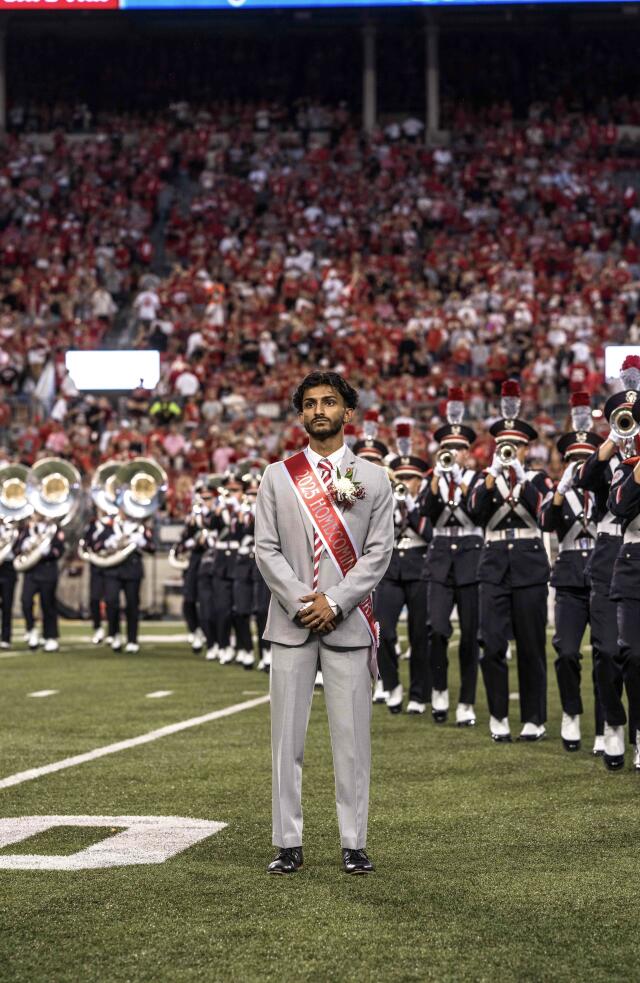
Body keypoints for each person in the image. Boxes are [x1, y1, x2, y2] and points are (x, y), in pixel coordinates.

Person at [255, 370, 394, 876]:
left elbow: (378, 554)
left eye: (329, 402)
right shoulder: (277, 475)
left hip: (347, 624)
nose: (319, 410)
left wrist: (333, 602)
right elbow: (265, 549)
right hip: (291, 624)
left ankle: (354, 843)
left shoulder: (373, 478)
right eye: (310, 403)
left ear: (347, 412)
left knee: (352, 743)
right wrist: (303, 603)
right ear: (301, 415)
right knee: (285, 742)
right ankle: (287, 842)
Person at [468, 380, 551, 744]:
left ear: (526, 448)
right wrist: (492, 477)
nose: (510, 450)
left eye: (516, 445)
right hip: (494, 565)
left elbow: (546, 515)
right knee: (491, 643)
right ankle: (498, 715)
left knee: (531, 645)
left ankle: (534, 718)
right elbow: (474, 511)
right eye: (505, 445)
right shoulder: (483, 479)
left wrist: (520, 476)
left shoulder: (538, 479)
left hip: (529, 565)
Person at [574, 356, 640, 768]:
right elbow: (583, 480)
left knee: (634, 653)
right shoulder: (608, 456)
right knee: (606, 649)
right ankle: (612, 724)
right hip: (608, 554)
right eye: (622, 418)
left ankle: (636, 730)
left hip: (634, 551)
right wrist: (613, 441)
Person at [538, 393, 604, 753]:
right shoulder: (557, 493)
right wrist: (561, 491)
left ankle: (606, 725)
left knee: (606, 653)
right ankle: (571, 713)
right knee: (565, 651)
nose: (579, 465)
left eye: (585, 458)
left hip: (602, 575)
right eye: (574, 459)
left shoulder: (607, 488)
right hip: (568, 579)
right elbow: (546, 522)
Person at [420, 387, 482, 727]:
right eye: (448, 449)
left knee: (470, 633)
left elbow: (479, 511)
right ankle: (440, 689)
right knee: (437, 629)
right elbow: (426, 514)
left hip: (471, 557)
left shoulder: (478, 479)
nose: (454, 454)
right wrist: (436, 481)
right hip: (441, 554)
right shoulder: (432, 480)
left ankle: (467, 701)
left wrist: (460, 481)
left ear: (468, 452)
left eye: (459, 449)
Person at [375, 422, 431, 715]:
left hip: (420, 567)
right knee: (382, 629)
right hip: (392, 569)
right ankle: (392, 683)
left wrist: (411, 506)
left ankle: (419, 693)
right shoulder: (388, 503)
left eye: (411, 478)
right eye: (402, 478)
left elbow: (430, 533)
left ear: (420, 481)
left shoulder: (428, 501)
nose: (406, 483)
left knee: (420, 634)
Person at [98, 506, 155, 653]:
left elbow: (152, 548)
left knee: (132, 605)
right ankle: (114, 633)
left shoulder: (140, 528)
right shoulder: (109, 526)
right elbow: (96, 544)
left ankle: (132, 639)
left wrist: (141, 542)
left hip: (132, 569)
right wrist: (110, 542)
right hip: (113, 569)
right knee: (111, 602)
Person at [16, 514, 65, 652]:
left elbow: (60, 549)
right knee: (25, 601)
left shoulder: (54, 529)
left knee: (48, 605)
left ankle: (50, 636)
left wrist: (48, 552)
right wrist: (24, 546)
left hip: (47, 571)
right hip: (31, 572)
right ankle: (31, 629)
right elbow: (16, 547)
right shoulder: (28, 529)